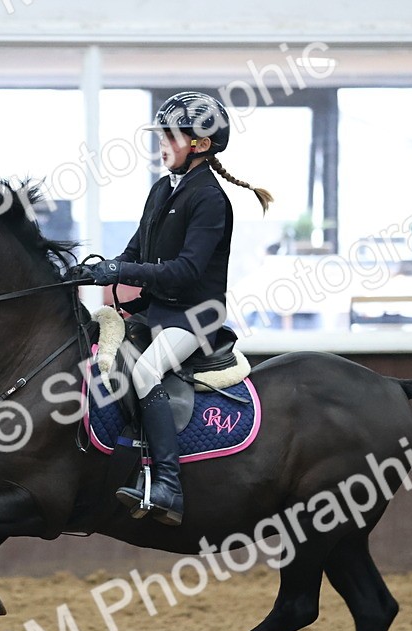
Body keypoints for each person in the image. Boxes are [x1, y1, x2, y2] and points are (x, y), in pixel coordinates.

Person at [85, 91, 272, 526]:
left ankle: (168, 484)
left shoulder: (210, 199)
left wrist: (124, 269)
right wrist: (96, 269)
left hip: (194, 316)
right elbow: (137, 250)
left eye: (171, 135)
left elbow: (186, 271)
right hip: (157, 312)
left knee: (146, 371)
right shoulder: (161, 190)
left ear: (201, 145)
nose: (162, 143)